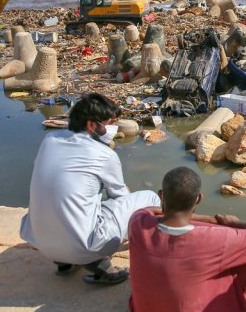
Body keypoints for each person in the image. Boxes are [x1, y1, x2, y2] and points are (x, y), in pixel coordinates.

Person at [128, 167, 246, 312]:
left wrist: (205, 219)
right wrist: (225, 221)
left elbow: (149, 211)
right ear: (198, 198)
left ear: (161, 195)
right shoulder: (217, 239)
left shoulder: (137, 223)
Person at [20, 93, 160, 285]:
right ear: (91, 125)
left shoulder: (49, 140)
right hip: (82, 247)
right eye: (107, 123)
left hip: (40, 242)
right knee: (151, 198)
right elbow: (119, 196)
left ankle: (64, 262)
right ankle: (143, 260)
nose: (109, 128)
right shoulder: (103, 154)